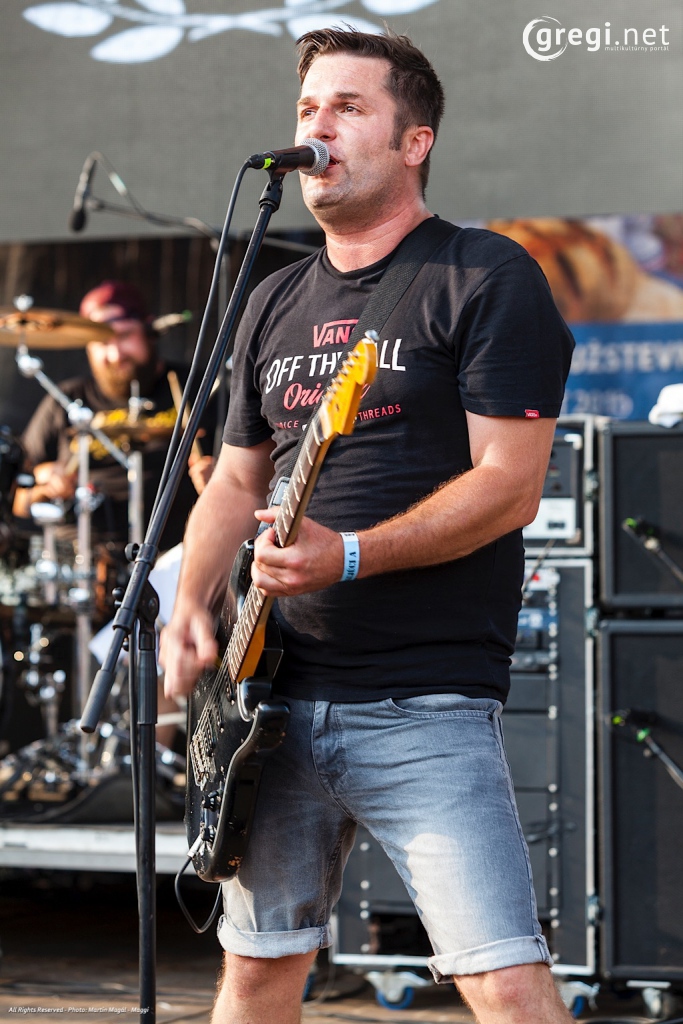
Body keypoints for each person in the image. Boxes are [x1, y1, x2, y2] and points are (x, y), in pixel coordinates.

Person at [161, 29, 575, 1024]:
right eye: (308, 108)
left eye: (348, 107)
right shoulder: (273, 298)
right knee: (258, 969)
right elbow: (236, 480)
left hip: (422, 700)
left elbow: (509, 486)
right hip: (269, 696)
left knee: (498, 976)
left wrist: (346, 554)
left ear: (413, 141)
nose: (318, 126)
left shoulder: (482, 275)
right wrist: (188, 606)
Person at [15, 279, 214, 551]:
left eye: (124, 336)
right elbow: (16, 502)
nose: (115, 354)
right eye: (100, 342)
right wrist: (44, 483)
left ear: (149, 330)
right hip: (80, 556)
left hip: (180, 555)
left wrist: (220, 480)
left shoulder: (200, 388)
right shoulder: (65, 399)